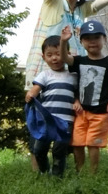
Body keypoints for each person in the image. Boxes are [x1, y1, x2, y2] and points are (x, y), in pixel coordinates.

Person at [61, 20, 108, 173]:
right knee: (77, 143)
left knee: (93, 144)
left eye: (96, 37)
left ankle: (93, 173)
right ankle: (79, 171)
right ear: (81, 42)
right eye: (87, 38)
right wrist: (63, 41)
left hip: (100, 112)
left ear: (104, 39)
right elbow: (65, 58)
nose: (92, 42)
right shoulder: (79, 61)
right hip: (81, 112)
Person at [25, 28, 77, 176]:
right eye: (50, 55)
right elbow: (36, 88)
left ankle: (57, 176)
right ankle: (44, 171)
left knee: (59, 151)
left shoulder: (72, 75)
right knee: (39, 149)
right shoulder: (45, 75)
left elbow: (78, 93)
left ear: (67, 54)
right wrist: (30, 94)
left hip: (66, 120)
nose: (54, 58)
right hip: (47, 120)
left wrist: (78, 101)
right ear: (44, 57)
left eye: (58, 54)